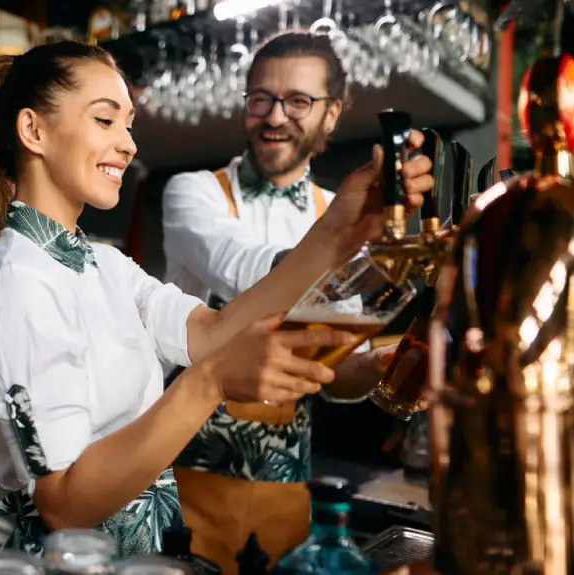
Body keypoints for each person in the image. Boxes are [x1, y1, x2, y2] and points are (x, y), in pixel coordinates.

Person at [0, 40, 433, 558]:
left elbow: (210, 332)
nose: (129, 144)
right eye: (106, 120)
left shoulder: (101, 264)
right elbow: (64, 505)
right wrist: (214, 379)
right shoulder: (18, 281)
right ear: (34, 131)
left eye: (128, 124)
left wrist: (339, 230)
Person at [161, 31, 401, 570]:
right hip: (181, 480)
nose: (275, 116)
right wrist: (340, 242)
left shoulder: (338, 211)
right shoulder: (192, 193)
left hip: (288, 493)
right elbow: (244, 269)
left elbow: (330, 368)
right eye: (260, 99)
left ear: (332, 115)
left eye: (298, 101)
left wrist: (384, 367)